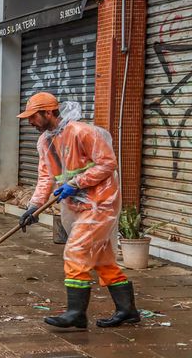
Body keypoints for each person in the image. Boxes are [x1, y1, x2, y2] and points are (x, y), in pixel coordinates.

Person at [18, 92, 139, 329]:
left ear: (49, 112)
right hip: (78, 205)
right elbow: (46, 177)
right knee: (102, 259)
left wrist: (75, 183)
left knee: (76, 252)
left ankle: (76, 313)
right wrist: (33, 207)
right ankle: (128, 310)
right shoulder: (45, 141)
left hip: (101, 203)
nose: (30, 122)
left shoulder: (83, 132)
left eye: (33, 116)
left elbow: (108, 164)